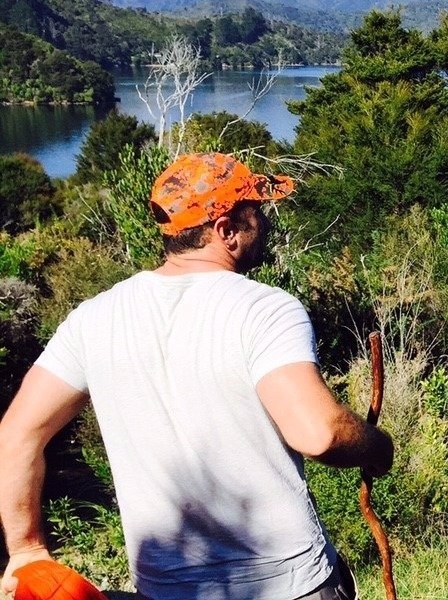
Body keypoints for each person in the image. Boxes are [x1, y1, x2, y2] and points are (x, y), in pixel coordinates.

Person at [0, 153, 394, 600]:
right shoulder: (263, 308)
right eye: (255, 212)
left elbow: (17, 433)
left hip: (163, 590)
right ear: (226, 231)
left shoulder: (93, 318)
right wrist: (378, 447)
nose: (264, 222)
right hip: (285, 585)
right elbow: (319, 434)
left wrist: (27, 549)